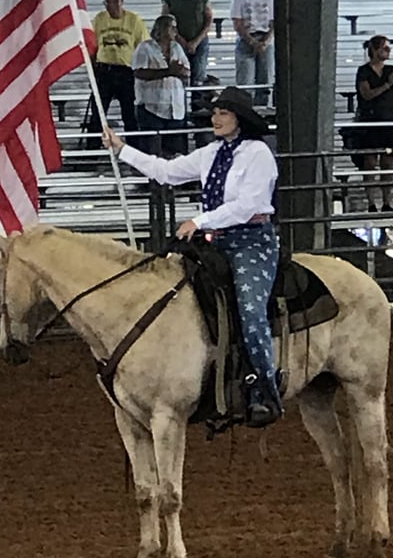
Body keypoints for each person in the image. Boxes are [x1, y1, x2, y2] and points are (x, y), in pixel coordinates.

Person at [102, 85, 281, 428]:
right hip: (216, 239)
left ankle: (264, 390)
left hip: (251, 241)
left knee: (250, 309)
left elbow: (248, 205)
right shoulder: (211, 153)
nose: (215, 118)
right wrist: (122, 148)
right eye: (214, 113)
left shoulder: (258, 153)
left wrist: (199, 221)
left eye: (223, 113)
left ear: (239, 119)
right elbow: (166, 172)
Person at [86, 0, 148, 138]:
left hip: (126, 71)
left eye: (115, 1)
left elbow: (143, 46)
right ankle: (93, 148)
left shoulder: (134, 20)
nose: (112, 5)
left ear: (122, 1)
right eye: (108, 2)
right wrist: (93, 71)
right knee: (98, 112)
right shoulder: (99, 19)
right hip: (104, 70)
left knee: (129, 113)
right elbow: (91, 47)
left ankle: (133, 147)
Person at [355, 35, 393, 212]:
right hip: (370, 121)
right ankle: (371, 202)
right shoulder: (364, 71)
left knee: (388, 161)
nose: (388, 51)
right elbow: (367, 94)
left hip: (389, 120)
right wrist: (387, 84)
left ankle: (387, 201)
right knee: (370, 161)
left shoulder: (390, 69)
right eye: (384, 48)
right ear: (375, 50)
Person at [131, 14, 190, 157]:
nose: (175, 31)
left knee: (175, 154)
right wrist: (168, 71)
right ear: (161, 29)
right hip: (151, 107)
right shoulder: (144, 47)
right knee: (152, 154)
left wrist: (181, 71)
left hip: (175, 108)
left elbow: (187, 71)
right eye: (172, 27)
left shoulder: (177, 48)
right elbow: (139, 72)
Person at [161, 0, 213, 109]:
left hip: (199, 41)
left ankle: (197, 110)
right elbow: (166, 18)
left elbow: (209, 18)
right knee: (179, 77)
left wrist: (197, 41)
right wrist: (179, 39)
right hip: (177, 41)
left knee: (198, 77)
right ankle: (180, 110)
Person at [231, 0, 275, 107]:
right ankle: (245, 110)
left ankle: (262, 109)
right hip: (246, 40)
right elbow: (238, 24)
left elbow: (274, 23)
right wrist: (252, 41)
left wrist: (265, 41)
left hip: (265, 39)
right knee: (245, 80)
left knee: (265, 79)